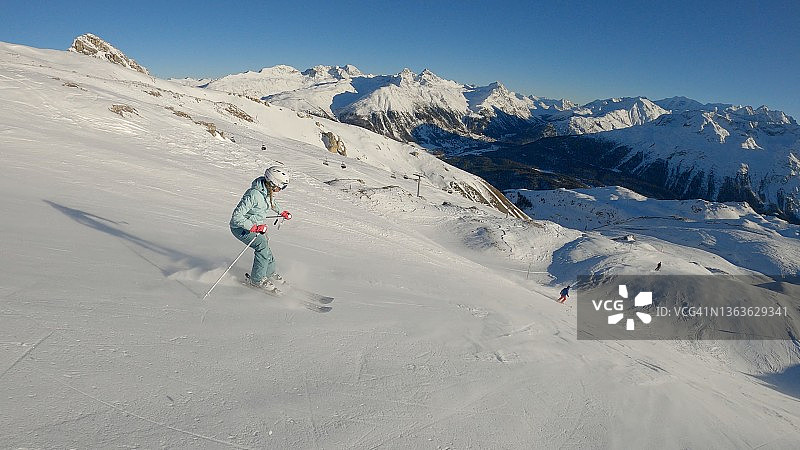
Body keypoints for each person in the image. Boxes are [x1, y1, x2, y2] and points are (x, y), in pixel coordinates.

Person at [230, 166, 292, 292]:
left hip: (257, 228)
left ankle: (269, 273)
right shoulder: (253, 194)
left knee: (266, 249)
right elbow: (236, 216)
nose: (280, 190)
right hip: (240, 228)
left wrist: (282, 212)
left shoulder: (266, 192)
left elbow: (271, 203)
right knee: (262, 247)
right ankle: (257, 280)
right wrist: (253, 227)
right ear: (272, 182)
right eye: (281, 186)